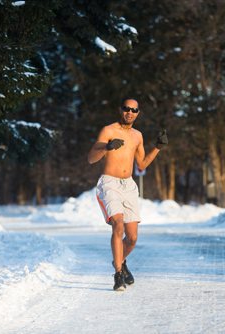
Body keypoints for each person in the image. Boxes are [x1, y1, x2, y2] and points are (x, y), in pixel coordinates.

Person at [87, 98, 168, 291]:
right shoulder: (108, 130)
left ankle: (121, 262)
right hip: (109, 183)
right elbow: (91, 159)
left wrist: (157, 147)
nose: (129, 112)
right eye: (126, 108)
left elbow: (141, 164)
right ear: (120, 109)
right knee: (118, 225)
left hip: (129, 185)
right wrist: (106, 147)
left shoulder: (137, 136)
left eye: (134, 110)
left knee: (132, 238)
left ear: (138, 113)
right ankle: (117, 275)